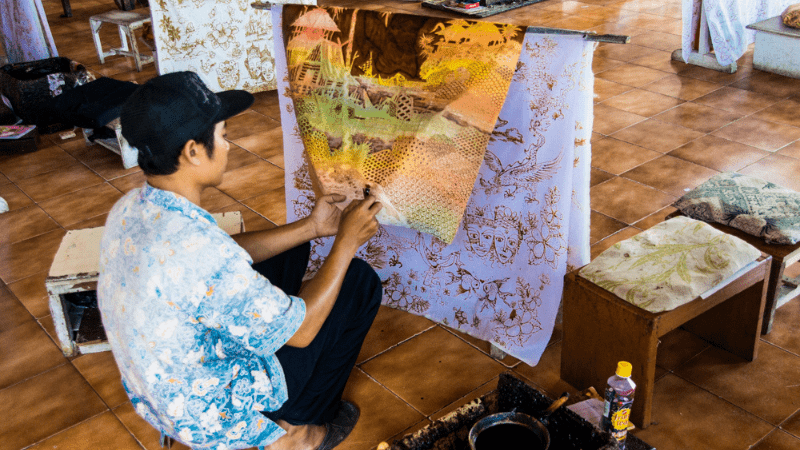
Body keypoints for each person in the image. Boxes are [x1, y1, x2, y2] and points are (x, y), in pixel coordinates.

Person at [97, 71, 383, 450]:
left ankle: (284, 407)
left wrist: (310, 228)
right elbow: (301, 332)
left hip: (158, 393)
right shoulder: (197, 249)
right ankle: (297, 433)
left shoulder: (132, 206)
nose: (229, 146)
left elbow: (222, 254)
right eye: (223, 136)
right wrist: (345, 243)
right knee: (359, 281)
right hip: (211, 414)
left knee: (290, 247)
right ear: (193, 151)